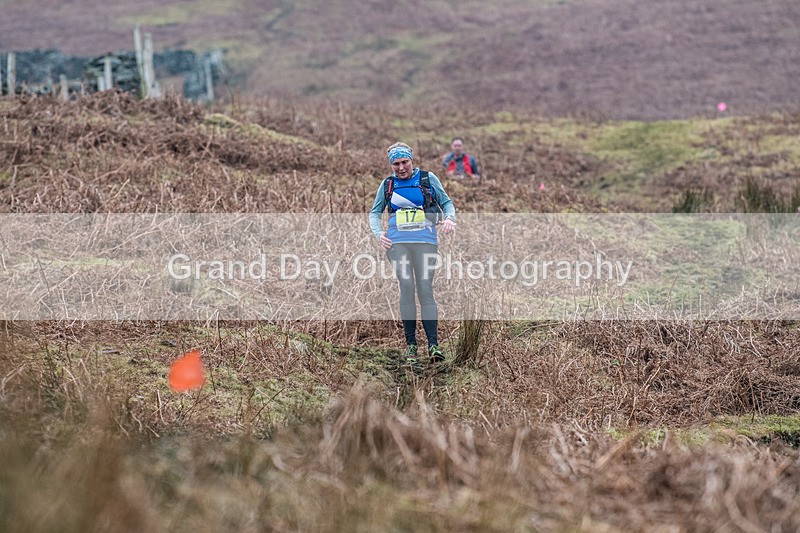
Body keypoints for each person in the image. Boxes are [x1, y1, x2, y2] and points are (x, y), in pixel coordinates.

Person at [369, 142, 457, 370]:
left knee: (425, 288)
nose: (400, 168)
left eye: (404, 162)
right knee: (407, 285)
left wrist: (449, 219)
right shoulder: (388, 184)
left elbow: (447, 203)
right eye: (395, 164)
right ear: (391, 164)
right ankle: (410, 345)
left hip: (426, 241)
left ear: (411, 160)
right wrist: (379, 235)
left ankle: (433, 345)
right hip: (397, 243)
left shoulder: (427, 179)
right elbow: (374, 213)